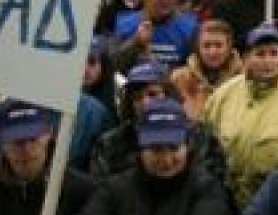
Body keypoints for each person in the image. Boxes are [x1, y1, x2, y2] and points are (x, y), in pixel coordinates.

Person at [66, 98, 232, 215]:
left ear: (187, 145)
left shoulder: (206, 187)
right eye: (156, 149)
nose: (166, 159)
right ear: (140, 149)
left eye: (174, 148)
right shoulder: (114, 188)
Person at [202, 24, 278, 208]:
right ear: (245, 58)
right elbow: (203, 144)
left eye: (274, 53)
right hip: (226, 201)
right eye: (260, 54)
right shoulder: (223, 95)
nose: (268, 61)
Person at [90, 60, 226, 184]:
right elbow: (101, 190)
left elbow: (215, 187)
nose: (146, 103)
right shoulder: (111, 144)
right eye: (137, 97)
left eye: (153, 94)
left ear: (170, 95)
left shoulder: (200, 137)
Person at [112, 0, 200, 69]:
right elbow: (113, 64)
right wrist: (136, 41)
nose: (165, 0)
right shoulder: (125, 23)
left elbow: (193, 67)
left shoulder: (190, 27)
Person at [169, 20, 243, 121]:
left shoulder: (244, 79)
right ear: (198, 48)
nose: (212, 52)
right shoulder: (179, 79)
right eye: (206, 46)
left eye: (219, 45)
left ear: (229, 47)